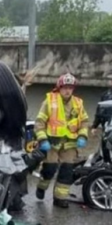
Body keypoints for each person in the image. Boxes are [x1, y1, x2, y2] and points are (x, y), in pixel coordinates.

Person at [34, 73, 90, 208]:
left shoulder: (78, 103)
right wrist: (42, 139)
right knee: (49, 169)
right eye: (65, 88)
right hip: (52, 143)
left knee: (67, 171)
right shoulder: (49, 101)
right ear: (59, 88)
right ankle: (41, 186)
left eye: (70, 88)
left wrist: (82, 136)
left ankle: (60, 198)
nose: (67, 91)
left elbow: (84, 122)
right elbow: (40, 122)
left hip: (69, 144)